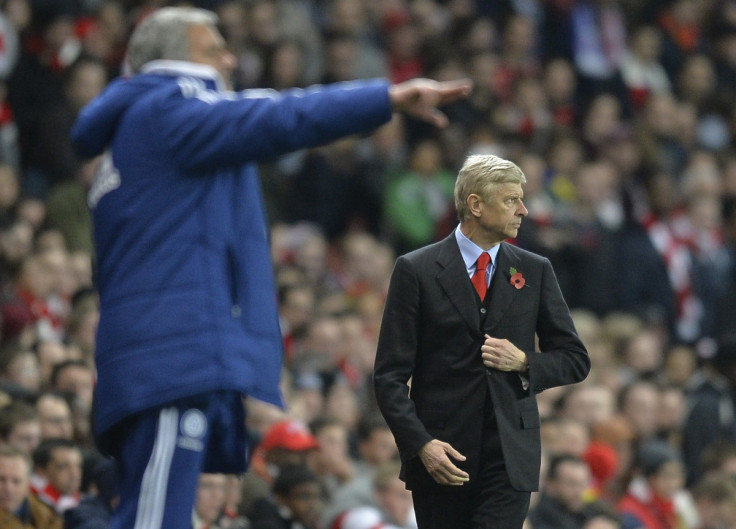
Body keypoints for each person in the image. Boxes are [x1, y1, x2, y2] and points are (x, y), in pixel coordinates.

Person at [70, 7, 471, 529]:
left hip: (158, 355)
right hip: (170, 360)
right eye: (214, 48)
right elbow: (278, 117)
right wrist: (385, 98)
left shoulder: (135, 136)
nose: (230, 59)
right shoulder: (166, 110)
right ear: (175, 59)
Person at [373, 153, 590, 529]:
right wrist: (421, 444)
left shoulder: (535, 270)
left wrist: (524, 361)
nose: (524, 210)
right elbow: (389, 376)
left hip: (509, 456)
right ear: (475, 204)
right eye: (511, 200)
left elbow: (575, 358)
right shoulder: (417, 270)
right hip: (441, 458)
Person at [0, 444, 62, 529]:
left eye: (16, 481)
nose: (8, 489)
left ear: (28, 485)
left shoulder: (48, 516)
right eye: (2, 479)